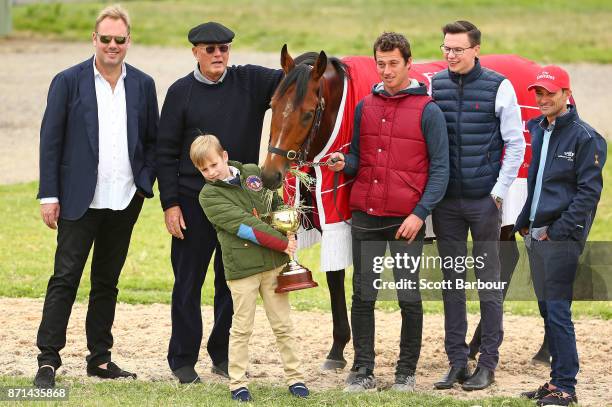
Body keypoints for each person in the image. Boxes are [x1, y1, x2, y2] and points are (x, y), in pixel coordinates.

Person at [34, 5, 158, 388]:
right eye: (105, 38)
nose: (112, 45)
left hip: (123, 200)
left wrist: (143, 183)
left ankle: (100, 358)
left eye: (120, 39)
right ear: (94, 39)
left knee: (107, 281)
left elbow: (152, 141)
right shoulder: (67, 81)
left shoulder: (142, 83)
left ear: (128, 41)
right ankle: (48, 359)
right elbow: (50, 141)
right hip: (77, 200)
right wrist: (49, 195)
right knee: (65, 277)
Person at [156, 21, 283, 383]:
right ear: (195, 51)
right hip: (192, 203)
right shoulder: (180, 92)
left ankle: (223, 354)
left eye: (223, 48)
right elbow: (165, 153)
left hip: (239, 204)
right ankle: (182, 360)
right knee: (187, 283)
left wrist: (323, 66)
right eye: (210, 49)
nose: (217, 55)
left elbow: (294, 79)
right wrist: (170, 204)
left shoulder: (251, 81)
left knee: (233, 283)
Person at [329, 32, 449, 393]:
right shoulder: (365, 106)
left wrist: (420, 214)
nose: (386, 70)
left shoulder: (429, 110)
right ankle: (363, 369)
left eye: (393, 63)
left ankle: (406, 372)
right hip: (365, 215)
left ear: (408, 63)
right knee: (363, 295)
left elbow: (441, 170)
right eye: (380, 64)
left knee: (408, 296)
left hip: (405, 222)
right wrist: (342, 163)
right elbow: (359, 159)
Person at [431, 20, 526, 391]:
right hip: (446, 205)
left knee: (487, 283)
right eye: (446, 48)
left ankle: (487, 363)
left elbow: (515, 144)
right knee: (452, 283)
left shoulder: (498, 86)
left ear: (476, 50)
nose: (451, 55)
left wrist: (498, 193)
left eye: (457, 48)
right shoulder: (434, 84)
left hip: (483, 203)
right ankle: (456, 360)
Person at [191, 134, 309, 401]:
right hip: (243, 270)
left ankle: (295, 377)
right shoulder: (208, 196)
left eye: (213, 164)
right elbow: (246, 227)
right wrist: (282, 243)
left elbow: (274, 204)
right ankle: (237, 383)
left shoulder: (252, 173)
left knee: (283, 325)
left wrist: (289, 227)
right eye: (203, 169)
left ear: (224, 156)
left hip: (274, 266)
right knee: (242, 327)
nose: (211, 172)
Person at [516, 66, 606, 407]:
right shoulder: (541, 130)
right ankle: (556, 381)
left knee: (557, 311)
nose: (542, 99)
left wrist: (556, 233)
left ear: (566, 95)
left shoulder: (586, 137)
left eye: (550, 92)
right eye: (538, 93)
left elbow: (588, 195)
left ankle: (565, 387)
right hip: (537, 234)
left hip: (560, 239)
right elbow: (536, 182)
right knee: (547, 310)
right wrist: (525, 222)